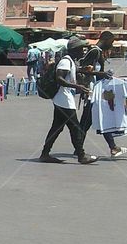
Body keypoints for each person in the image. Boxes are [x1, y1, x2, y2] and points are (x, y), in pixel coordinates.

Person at [39, 36, 98, 164]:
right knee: (75, 127)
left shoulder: (70, 61)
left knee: (57, 128)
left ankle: (45, 153)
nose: (83, 51)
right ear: (75, 50)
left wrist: (84, 71)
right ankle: (81, 155)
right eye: (81, 49)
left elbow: (71, 73)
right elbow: (59, 78)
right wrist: (77, 86)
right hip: (64, 99)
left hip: (63, 99)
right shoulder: (66, 61)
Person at [79, 31, 127, 157]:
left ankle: (79, 148)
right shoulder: (94, 51)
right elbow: (84, 70)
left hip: (95, 90)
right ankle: (112, 147)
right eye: (111, 42)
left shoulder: (97, 52)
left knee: (89, 122)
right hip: (91, 92)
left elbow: (94, 71)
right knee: (94, 120)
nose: (111, 45)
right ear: (106, 40)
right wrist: (102, 74)